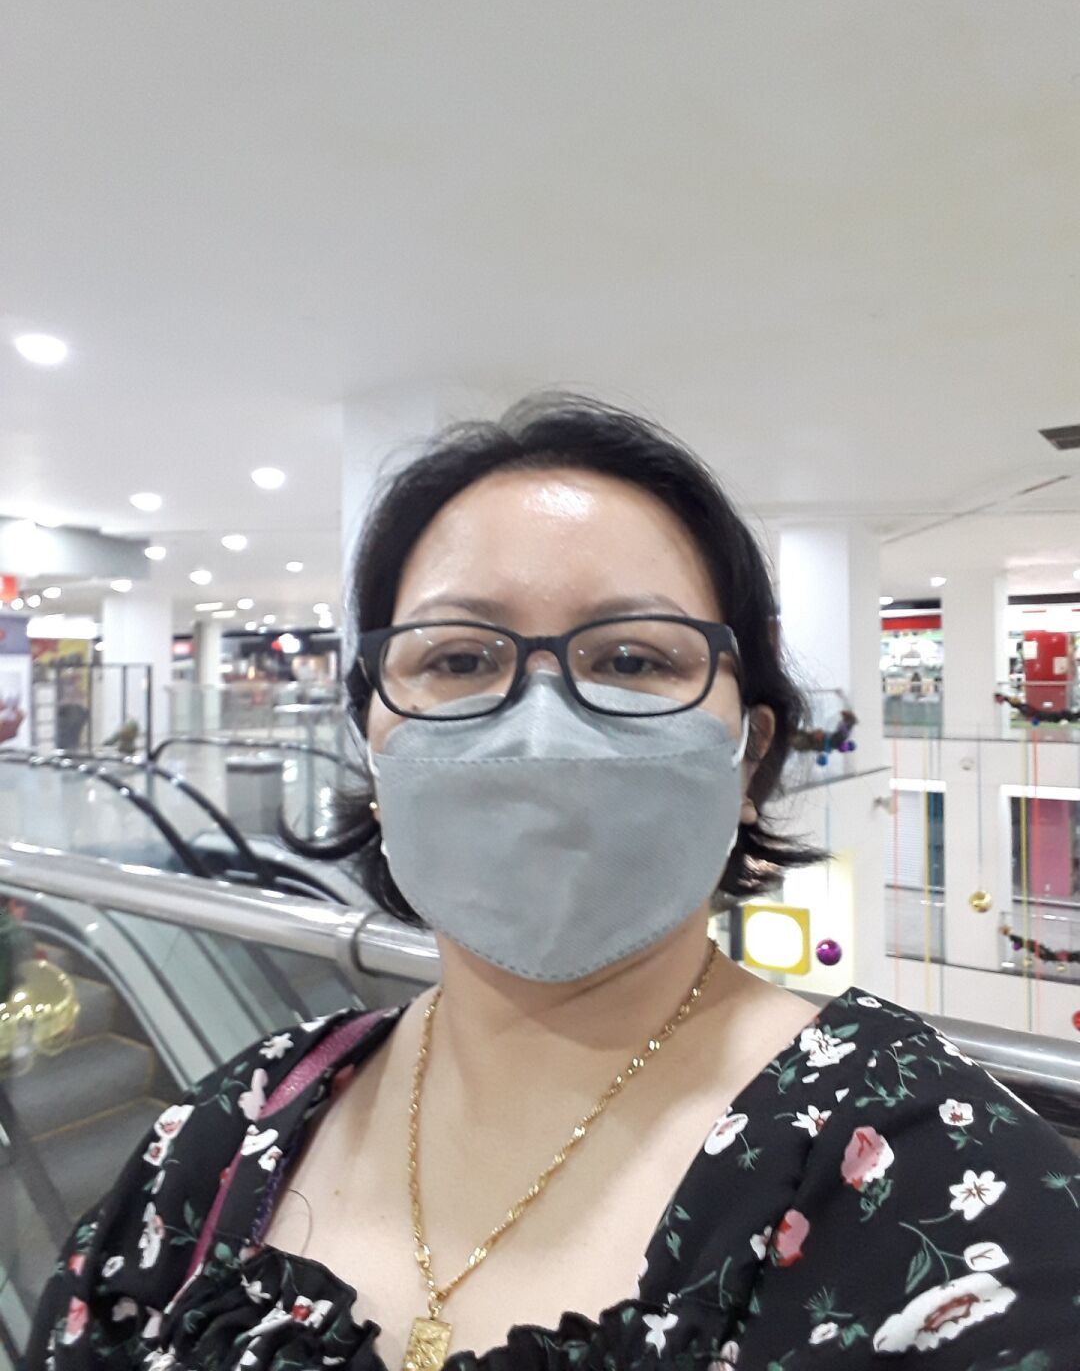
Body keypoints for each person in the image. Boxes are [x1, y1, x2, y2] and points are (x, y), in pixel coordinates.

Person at [28, 396, 1080, 1369]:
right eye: (458, 660)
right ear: (373, 752)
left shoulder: (945, 1189)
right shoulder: (234, 1129)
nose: (541, 730)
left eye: (632, 660)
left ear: (748, 757)